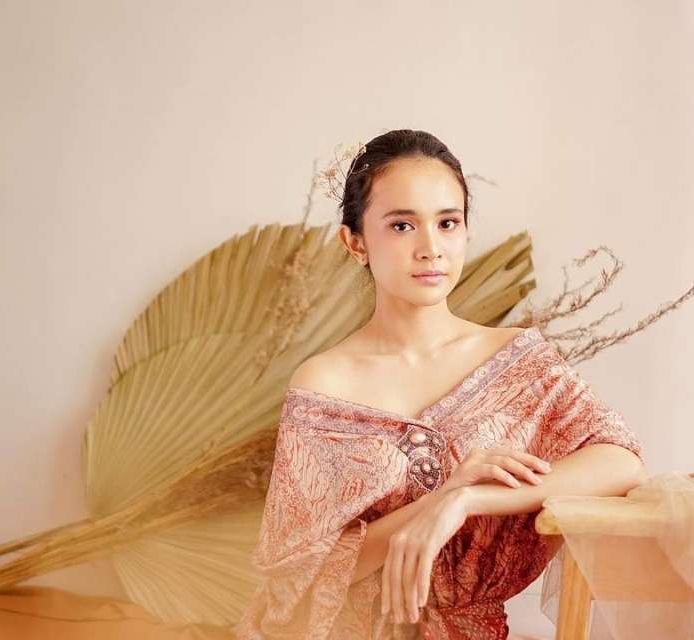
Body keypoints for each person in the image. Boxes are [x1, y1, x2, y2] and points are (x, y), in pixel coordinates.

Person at [233, 129, 646, 640]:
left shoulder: (518, 361)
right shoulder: (324, 383)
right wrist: (439, 497)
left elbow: (619, 460)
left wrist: (467, 501)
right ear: (355, 242)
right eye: (402, 225)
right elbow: (299, 575)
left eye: (448, 222)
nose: (430, 249)